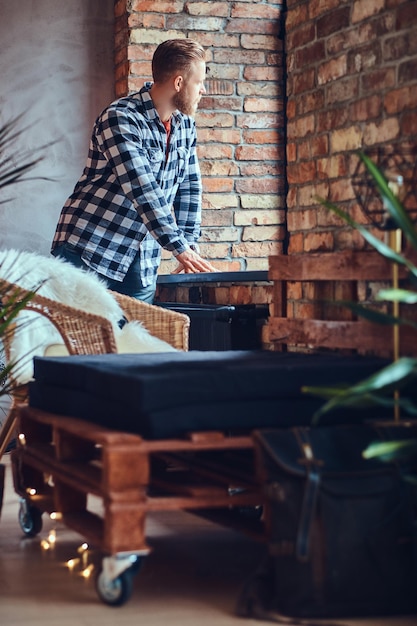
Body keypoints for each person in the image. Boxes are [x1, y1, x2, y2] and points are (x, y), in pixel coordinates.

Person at [52, 38, 216, 303]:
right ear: (178, 83)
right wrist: (179, 248)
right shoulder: (120, 118)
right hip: (89, 251)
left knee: (135, 343)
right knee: (81, 343)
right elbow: (142, 189)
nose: (203, 91)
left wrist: (189, 244)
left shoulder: (185, 126)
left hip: (141, 261)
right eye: (199, 83)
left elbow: (189, 188)